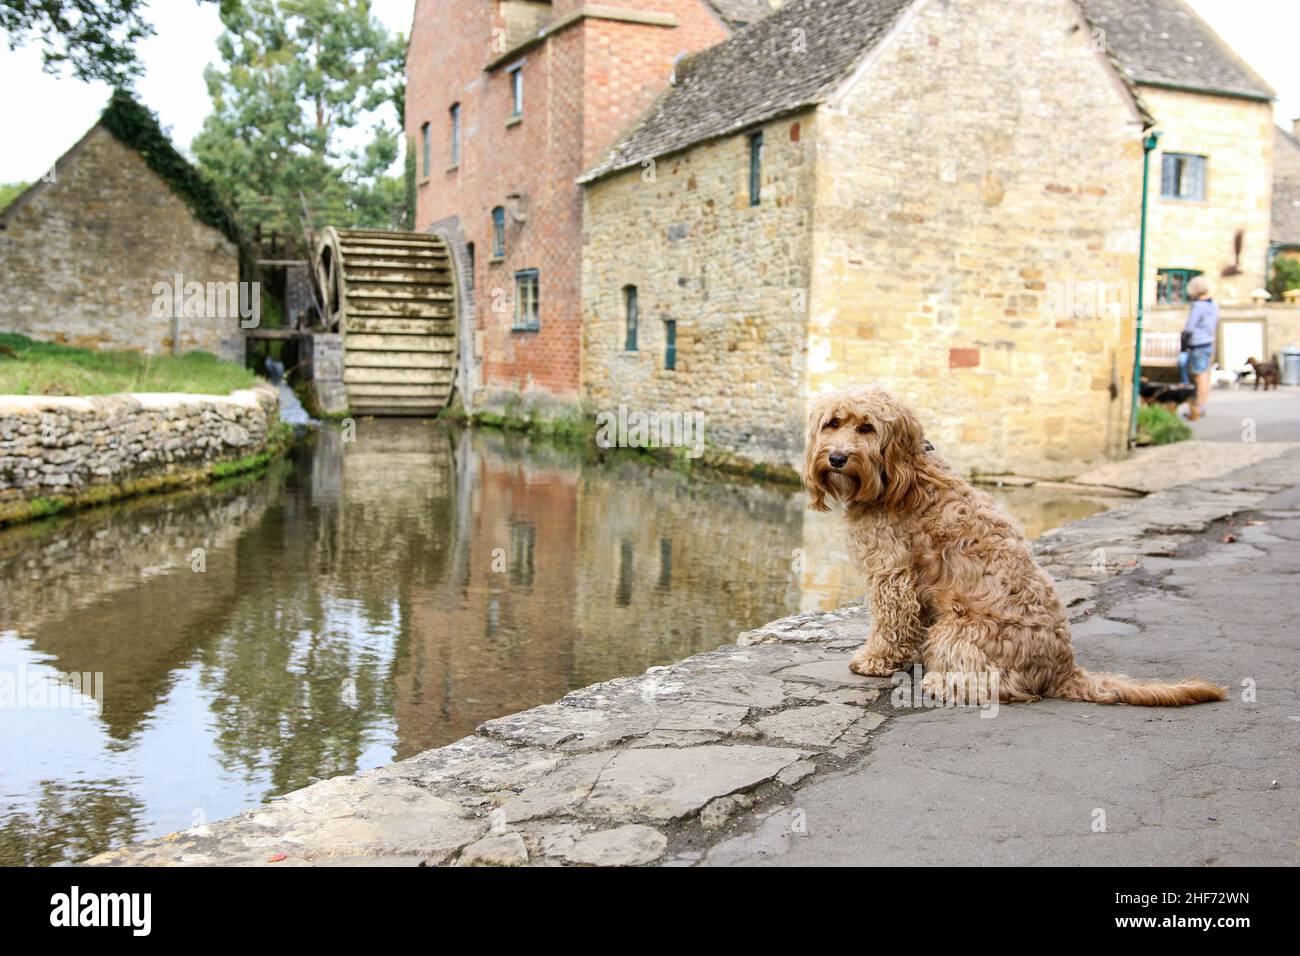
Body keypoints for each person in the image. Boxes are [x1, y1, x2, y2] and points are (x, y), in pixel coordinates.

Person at [1182, 276, 1218, 419]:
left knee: (1199, 376)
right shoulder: (1213, 304)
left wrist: (1185, 336)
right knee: (1205, 375)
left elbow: (1190, 327)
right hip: (1208, 341)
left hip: (1198, 343)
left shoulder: (1198, 305)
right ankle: (1202, 405)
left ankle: (1199, 407)